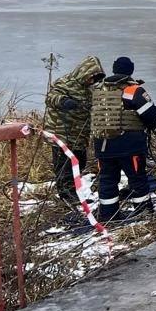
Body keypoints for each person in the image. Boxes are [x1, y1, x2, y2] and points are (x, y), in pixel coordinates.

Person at [91, 57, 156, 224]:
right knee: (137, 179)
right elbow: (152, 116)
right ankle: (143, 211)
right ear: (130, 71)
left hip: (103, 145)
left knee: (107, 179)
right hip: (129, 146)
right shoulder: (133, 91)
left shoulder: (97, 89)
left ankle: (108, 214)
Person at [44, 55, 104, 206]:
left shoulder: (90, 89)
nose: (92, 81)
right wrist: (64, 101)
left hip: (79, 134)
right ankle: (66, 197)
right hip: (62, 134)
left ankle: (74, 194)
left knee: (79, 163)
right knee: (64, 167)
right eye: (91, 77)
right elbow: (51, 97)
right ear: (85, 73)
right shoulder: (65, 83)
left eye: (95, 78)